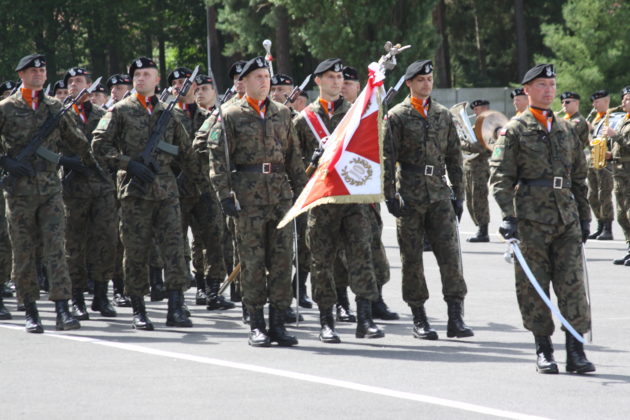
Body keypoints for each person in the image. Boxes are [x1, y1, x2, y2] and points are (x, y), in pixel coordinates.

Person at [490, 63, 595, 374]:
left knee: (572, 285)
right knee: (534, 287)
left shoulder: (567, 129)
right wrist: (508, 217)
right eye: (541, 85)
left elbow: (579, 177)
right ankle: (544, 349)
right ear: (527, 90)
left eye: (552, 85)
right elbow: (501, 177)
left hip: (566, 218)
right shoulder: (514, 130)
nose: (548, 91)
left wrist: (584, 216)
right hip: (530, 220)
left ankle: (575, 350)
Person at [92, 57, 204, 330]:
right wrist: (128, 164)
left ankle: (176, 306)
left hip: (166, 191)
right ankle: (138, 309)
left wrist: (202, 187)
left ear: (157, 79)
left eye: (146, 74)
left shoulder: (169, 113)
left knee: (174, 249)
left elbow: (187, 154)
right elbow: (99, 145)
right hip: (135, 191)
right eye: (137, 75)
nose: (141, 78)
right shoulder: (120, 110)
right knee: (136, 251)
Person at [203, 56, 307, 347]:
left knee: (282, 261)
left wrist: (302, 195)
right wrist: (224, 195)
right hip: (247, 198)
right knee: (252, 262)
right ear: (244, 81)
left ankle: (278, 322)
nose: (264, 81)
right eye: (258, 77)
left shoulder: (282, 113)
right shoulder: (230, 115)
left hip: (280, 196)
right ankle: (257, 323)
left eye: (266, 76)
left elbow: (293, 158)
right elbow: (218, 160)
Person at [0, 53, 95, 333]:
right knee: (24, 251)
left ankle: (62, 309)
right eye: (33, 71)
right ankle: (30, 310)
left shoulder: (55, 107)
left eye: (42, 70)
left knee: (56, 249)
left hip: (51, 189)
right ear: (21, 75)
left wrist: (89, 160)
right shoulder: (6, 108)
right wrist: (5, 162)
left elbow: (76, 141)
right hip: (19, 192)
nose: (39, 74)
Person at [296, 58, 385, 342]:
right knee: (321, 261)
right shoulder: (304, 120)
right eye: (330, 77)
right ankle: (326, 321)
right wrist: (310, 165)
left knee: (361, 256)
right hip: (323, 203)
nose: (336, 82)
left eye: (339, 78)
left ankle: (365, 319)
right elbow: (294, 166)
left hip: (353, 200)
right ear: (318, 81)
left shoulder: (357, 115)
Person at [383, 59, 473, 341]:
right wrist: (389, 194)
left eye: (430, 79)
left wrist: (459, 194)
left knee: (450, 256)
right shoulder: (397, 116)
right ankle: (419, 317)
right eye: (421, 80)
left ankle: (455, 317)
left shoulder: (443, 114)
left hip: (439, 194)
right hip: (409, 195)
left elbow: (454, 157)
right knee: (411, 259)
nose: (426, 84)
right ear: (409, 83)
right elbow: (388, 158)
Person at [61, 66, 117, 320]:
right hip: (73, 190)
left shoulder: (103, 114)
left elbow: (112, 145)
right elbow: (48, 147)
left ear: (89, 85)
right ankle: (77, 298)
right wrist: (65, 161)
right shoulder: (60, 114)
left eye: (79, 80)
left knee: (105, 241)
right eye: (70, 82)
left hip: (102, 187)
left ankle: (101, 296)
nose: (74, 85)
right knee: (74, 246)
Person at [586, 90, 614, 240]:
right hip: (593, 159)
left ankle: (607, 228)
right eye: (594, 102)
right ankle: (600, 224)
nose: (594, 105)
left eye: (597, 101)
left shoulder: (613, 118)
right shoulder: (596, 119)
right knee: (592, 195)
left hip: (605, 161)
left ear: (606, 101)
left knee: (604, 194)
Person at [463, 99, 492, 242]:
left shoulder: (488, 126)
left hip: (480, 167)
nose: (475, 112)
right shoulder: (475, 126)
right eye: (474, 109)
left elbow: (478, 148)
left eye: (478, 109)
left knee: (479, 199)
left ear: (485, 109)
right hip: (469, 167)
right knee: (471, 200)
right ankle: (480, 227)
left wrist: (460, 143)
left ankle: (483, 231)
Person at [608, 87, 630, 265]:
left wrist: (616, 136)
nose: (623, 102)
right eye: (623, 99)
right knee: (622, 215)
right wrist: (609, 155)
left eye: (627, 99)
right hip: (619, 172)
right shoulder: (624, 120)